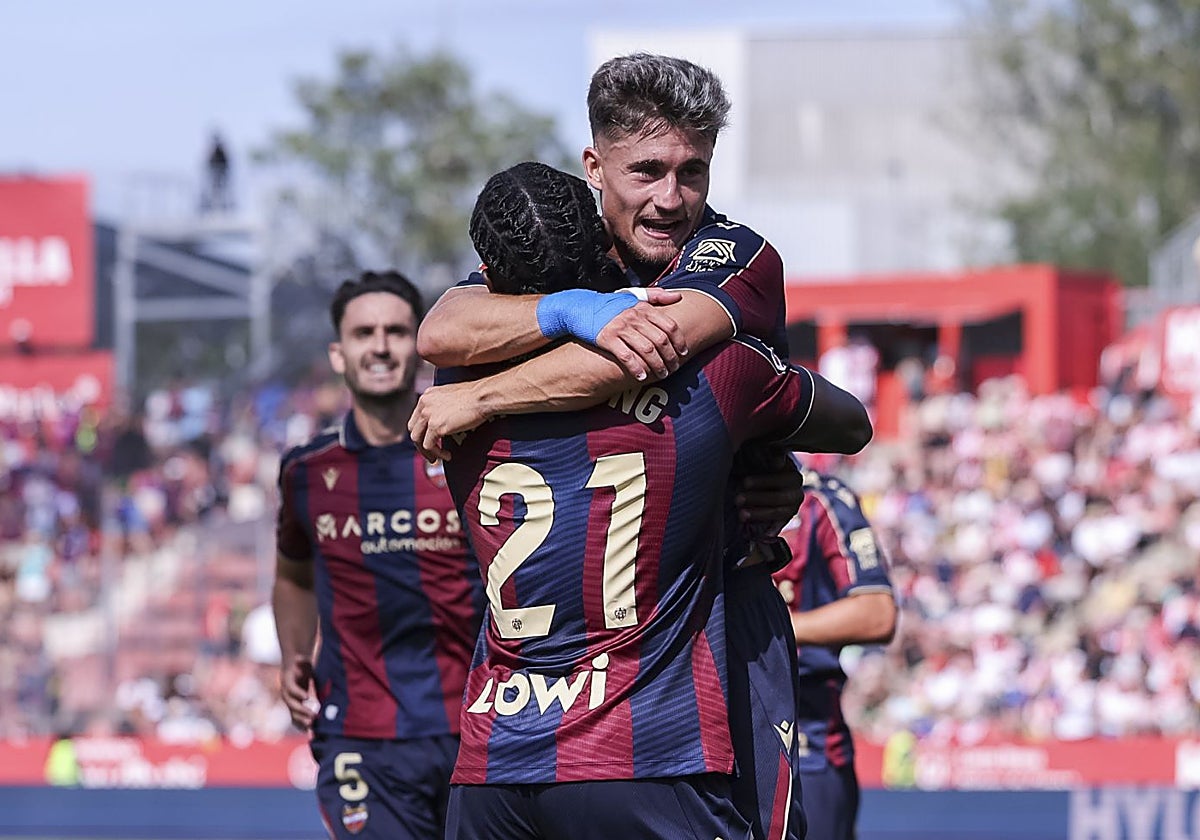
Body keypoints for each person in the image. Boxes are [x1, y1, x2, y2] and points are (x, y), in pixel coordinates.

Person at [410, 54, 862, 840]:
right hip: (568, 669)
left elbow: (646, 344)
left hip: (716, 620)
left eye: (694, 171)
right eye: (647, 170)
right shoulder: (552, 259)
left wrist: (480, 392)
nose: (671, 198)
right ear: (594, 165)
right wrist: (567, 305)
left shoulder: (734, 257)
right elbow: (441, 329)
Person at [273, 271, 485, 840]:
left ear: (418, 346)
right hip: (362, 738)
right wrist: (294, 652)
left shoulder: (473, 449)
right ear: (340, 355)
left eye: (396, 331)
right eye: (365, 333)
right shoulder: (305, 471)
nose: (381, 345)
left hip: (480, 726)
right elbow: (293, 575)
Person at [773, 470, 897, 840]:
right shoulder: (698, 480)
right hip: (711, 727)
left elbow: (877, 612)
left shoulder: (818, 497)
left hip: (807, 733)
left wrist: (767, 627)